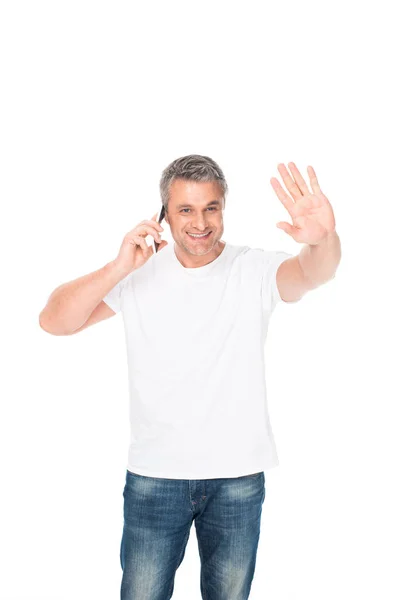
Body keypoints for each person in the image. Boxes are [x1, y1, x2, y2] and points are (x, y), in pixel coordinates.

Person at [39, 154, 341, 599]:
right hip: (155, 477)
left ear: (223, 209)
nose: (200, 222)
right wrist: (121, 266)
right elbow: (54, 321)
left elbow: (313, 273)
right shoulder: (137, 275)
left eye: (210, 208)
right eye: (186, 209)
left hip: (237, 479)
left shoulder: (253, 269)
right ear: (163, 214)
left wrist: (323, 240)